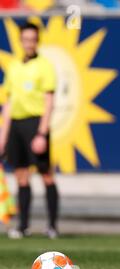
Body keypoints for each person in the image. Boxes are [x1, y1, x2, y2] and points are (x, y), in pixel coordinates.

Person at [0, 22, 59, 239]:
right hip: (16, 124)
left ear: (37, 40)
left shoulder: (45, 66)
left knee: (46, 174)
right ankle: (23, 225)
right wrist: (3, 137)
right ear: (20, 40)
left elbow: (49, 101)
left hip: (36, 124)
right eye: (25, 39)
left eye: (32, 39)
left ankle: (52, 226)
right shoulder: (14, 66)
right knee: (21, 176)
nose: (29, 43)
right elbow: (7, 104)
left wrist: (42, 133)